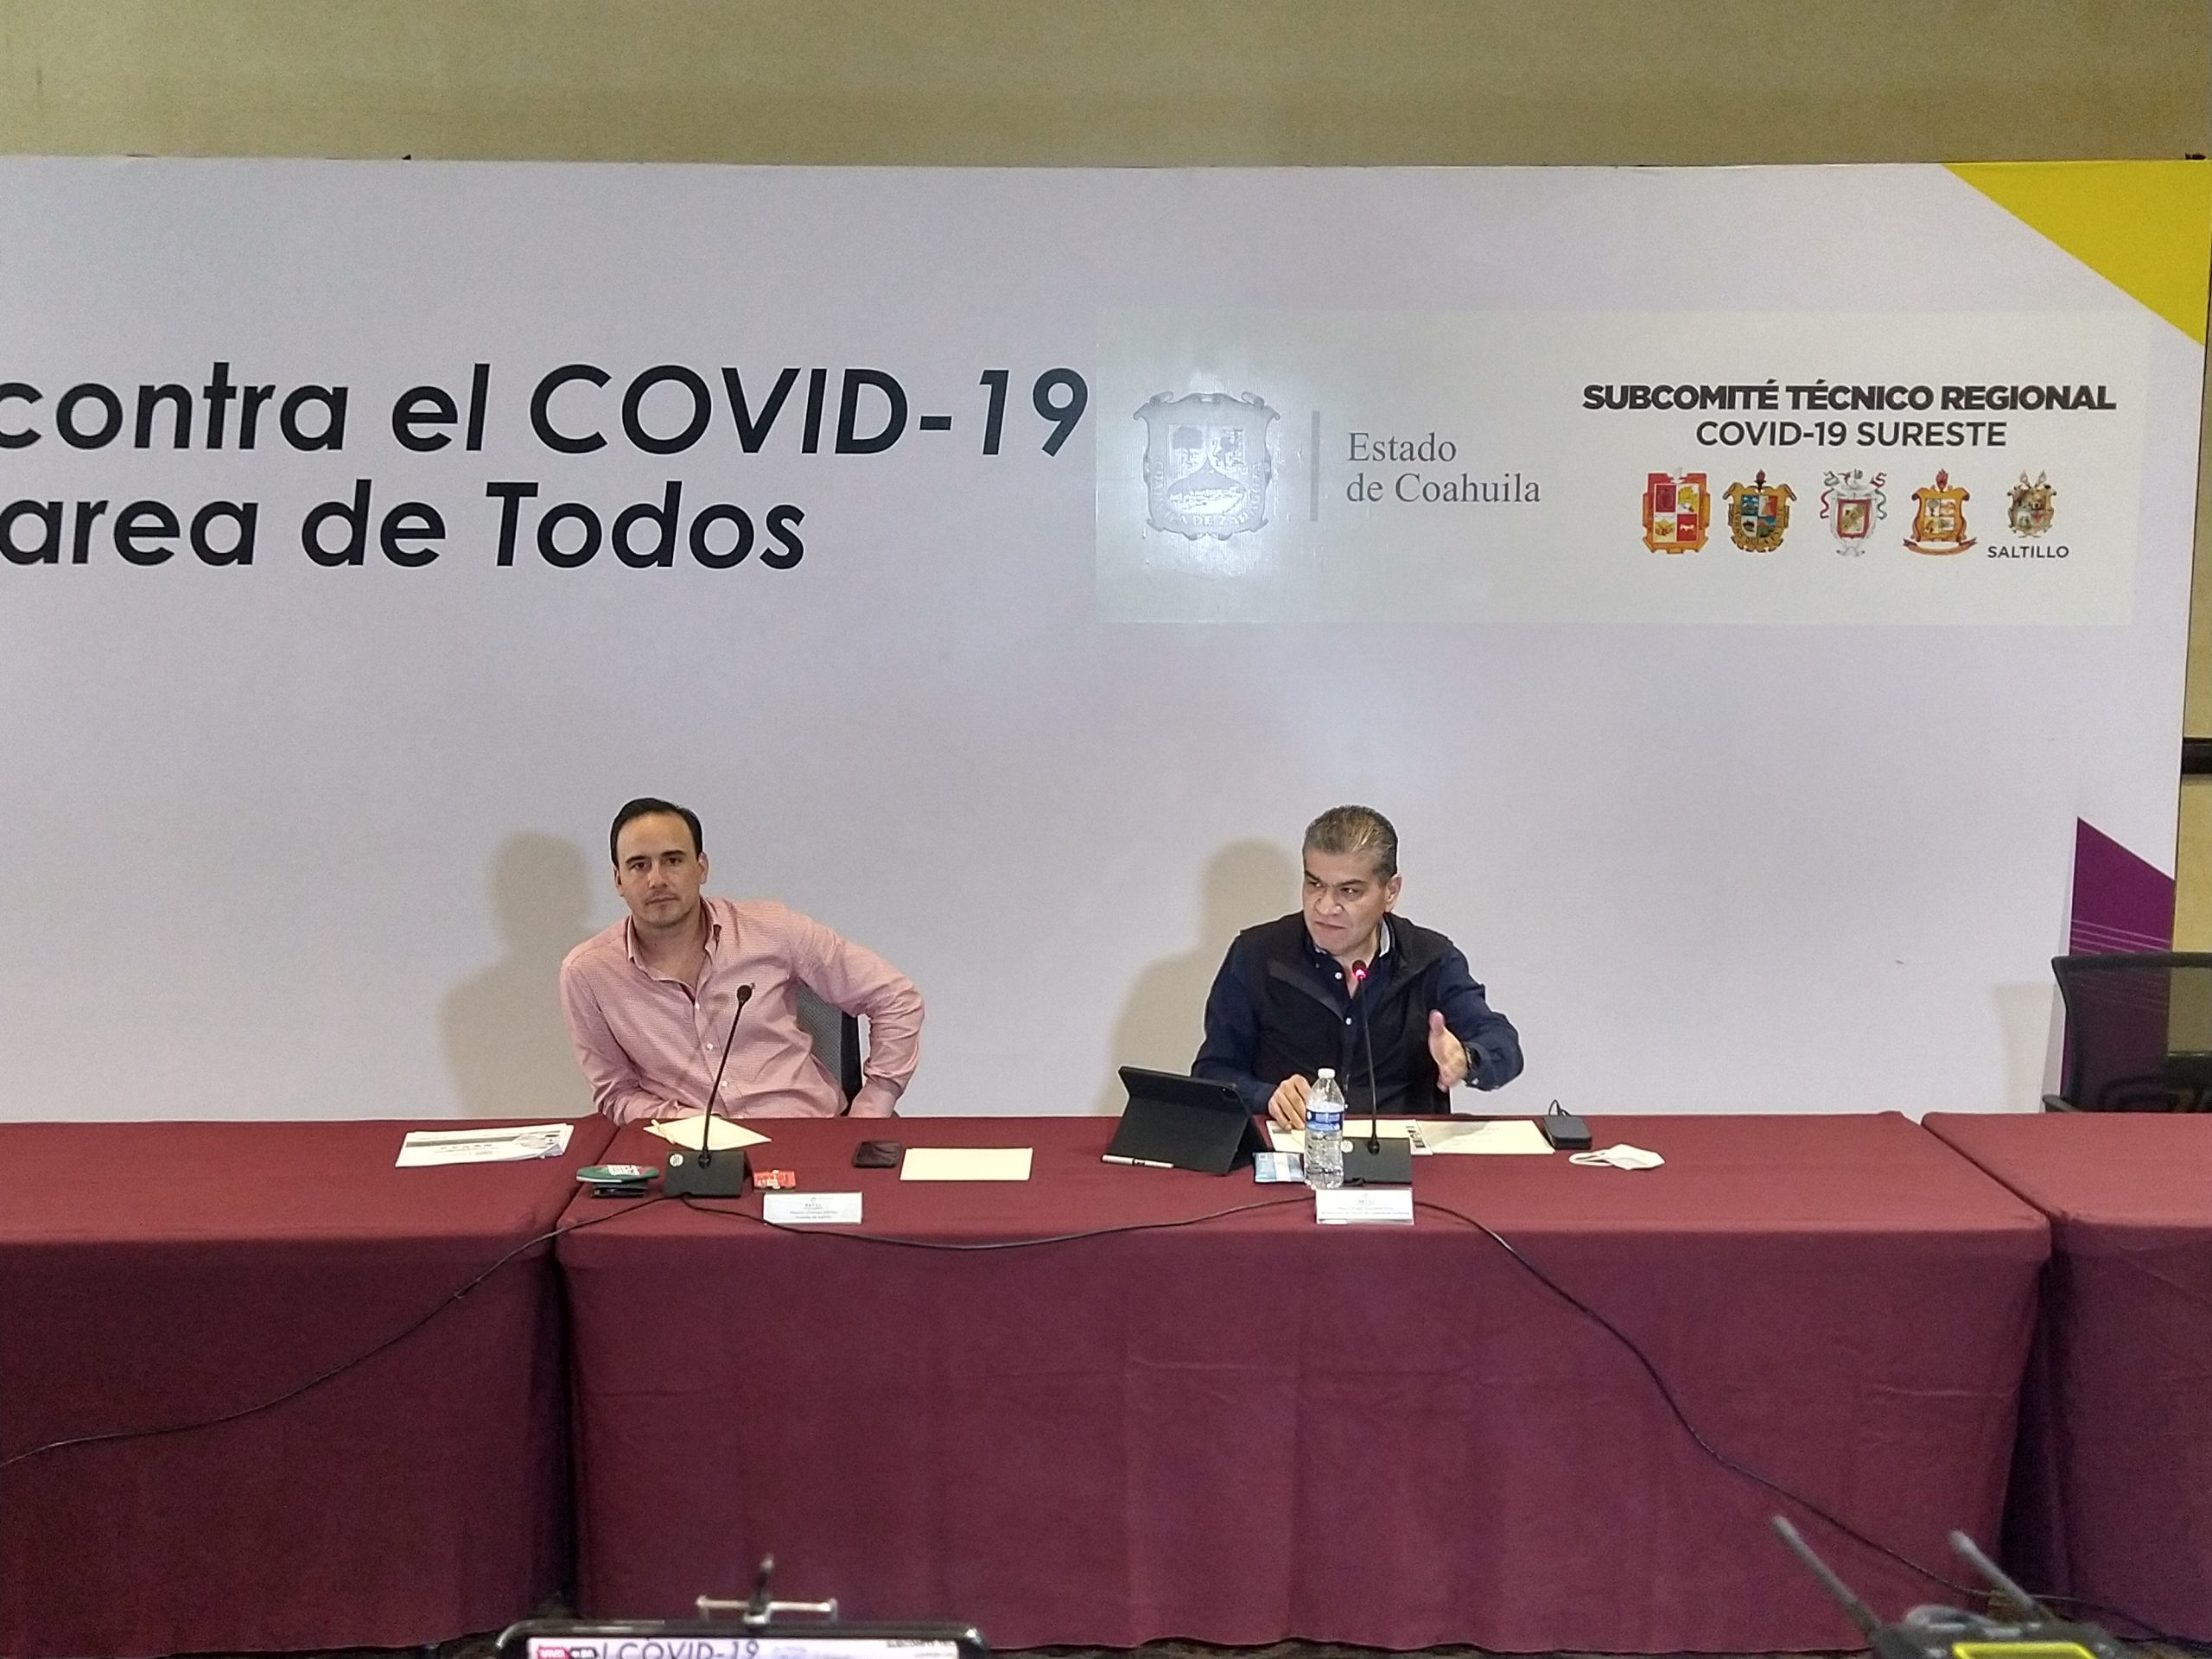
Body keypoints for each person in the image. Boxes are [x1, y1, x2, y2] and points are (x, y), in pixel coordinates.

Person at [559, 797, 923, 1121]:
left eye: (673, 860)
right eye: (639, 865)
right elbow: (617, 1092)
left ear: (701, 867)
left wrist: (874, 1102)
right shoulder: (589, 974)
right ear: (618, 880)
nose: (657, 880)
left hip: (807, 1130)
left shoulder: (773, 929)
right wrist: (689, 1126)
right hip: (689, 1149)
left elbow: (896, 997)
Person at [1193, 804, 1521, 1129]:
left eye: (1348, 891)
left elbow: (1503, 1046)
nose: (1325, 907)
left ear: (1390, 892)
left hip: (1402, 1152)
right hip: (1289, 1145)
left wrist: (1466, 1059)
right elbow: (1213, 1073)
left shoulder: (1430, 960)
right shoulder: (1257, 955)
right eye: (1314, 884)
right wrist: (1266, 1097)